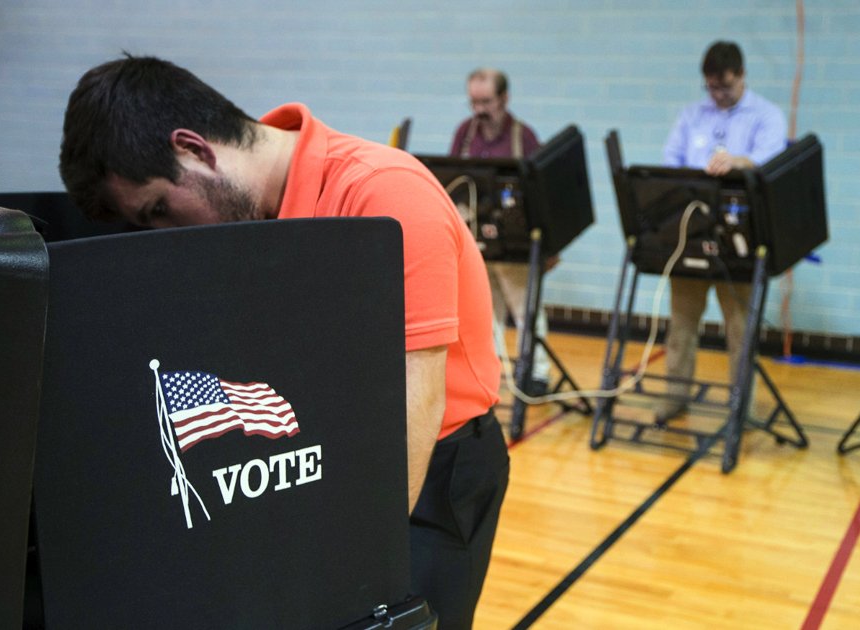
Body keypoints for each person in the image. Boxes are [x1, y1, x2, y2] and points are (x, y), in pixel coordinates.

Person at [58, 55, 507, 629]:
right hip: (323, 449)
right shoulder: (248, 215)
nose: (164, 238)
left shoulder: (383, 192)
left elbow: (416, 401)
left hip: (434, 464)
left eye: (160, 211)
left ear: (194, 148)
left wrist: (345, 576)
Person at [654, 41, 788, 422]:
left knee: (740, 327)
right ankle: (675, 396)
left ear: (742, 76)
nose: (717, 94)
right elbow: (671, 162)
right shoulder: (691, 115)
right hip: (693, 233)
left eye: (725, 87)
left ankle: (740, 406)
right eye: (711, 87)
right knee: (681, 324)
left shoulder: (766, 116)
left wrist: (739, 162)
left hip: (741, 237)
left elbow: (772, 163)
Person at [449, 68, 552, 397]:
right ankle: (487, 373)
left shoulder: (525, 136)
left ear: (505, 99)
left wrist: (549, 248)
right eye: (474, 102)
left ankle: (537, 374)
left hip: (514, 244)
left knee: (526, 310)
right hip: (476, 242)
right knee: (482, 313)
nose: (479, 109)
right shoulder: (464, 133)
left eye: (487, 101)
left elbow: (543, 195)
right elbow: (451, 183)